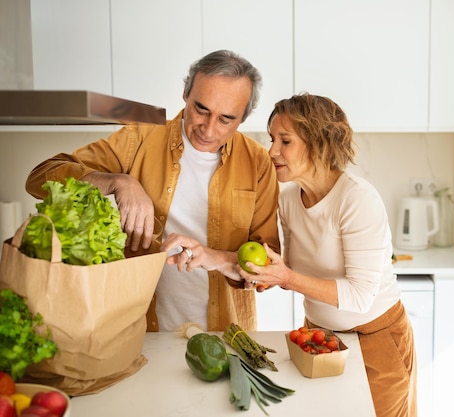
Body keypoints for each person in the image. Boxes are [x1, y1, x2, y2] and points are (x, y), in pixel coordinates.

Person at [24, 50, 280, 332]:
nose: (208, 129)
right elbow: (40, 177)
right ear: (185, 94)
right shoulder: (139, 137)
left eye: (226, 119)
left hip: (227, 333)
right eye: (201, 110)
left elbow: (268, 267)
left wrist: (217, 257)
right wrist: (118, 182)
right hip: (141, 330)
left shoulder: (257, 162)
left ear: (243, 117)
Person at [238, 93, 417, 417]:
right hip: (318, 336)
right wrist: (268, 275)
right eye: (272, 139)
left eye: (285, 141)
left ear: (317, 142)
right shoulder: (289, 198)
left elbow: (360, 296)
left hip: (376, 338)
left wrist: (288, 278)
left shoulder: (356, 200)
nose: (272, 151)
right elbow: (295, 270)